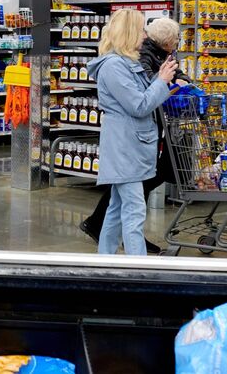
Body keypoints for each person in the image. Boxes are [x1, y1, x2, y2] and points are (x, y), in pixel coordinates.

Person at [80, 17, 189, 253]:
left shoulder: (126, 63)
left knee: (117, 208)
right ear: (128, 33)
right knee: (134, 210)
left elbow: (146, 95)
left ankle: (106, 259)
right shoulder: (114, 67)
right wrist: (161, 81)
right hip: (125, 147)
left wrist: (164, 82)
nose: (145, 35)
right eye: (141, 30)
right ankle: (138, 266)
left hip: (132, 146)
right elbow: (138, 105)